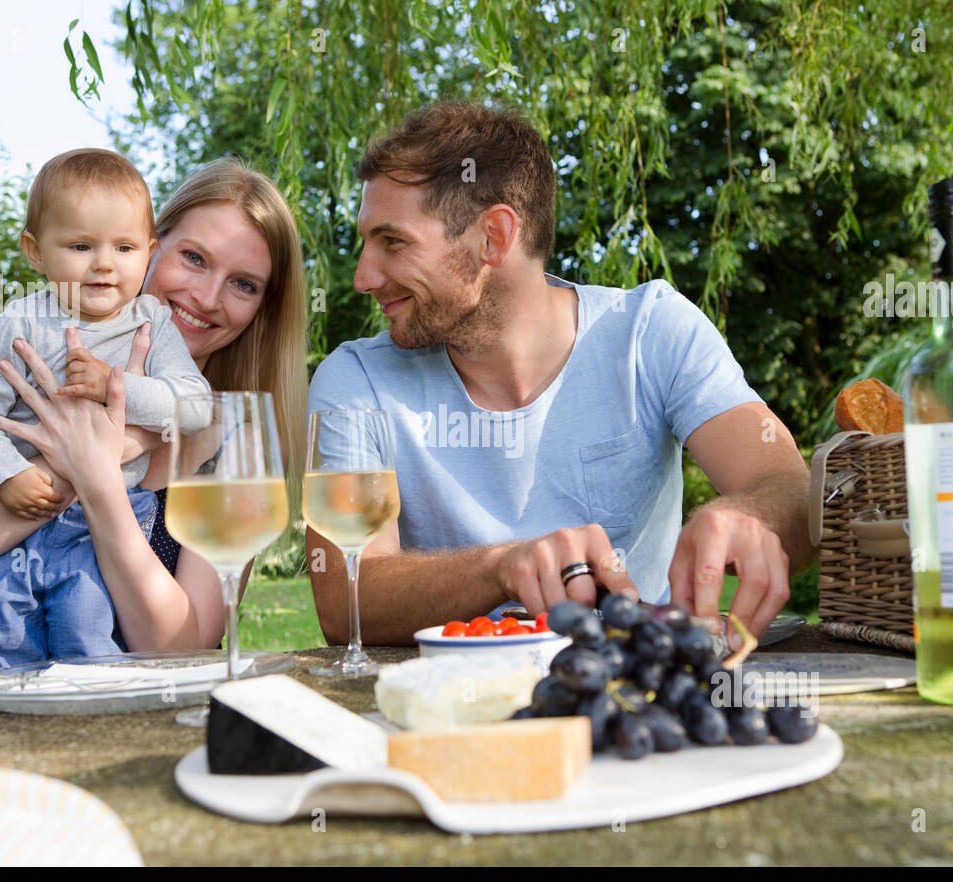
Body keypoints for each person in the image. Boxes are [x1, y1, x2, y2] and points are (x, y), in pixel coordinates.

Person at [306, 101, 813, 648]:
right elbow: (344, 603)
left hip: (635, 694)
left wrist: (742, 515)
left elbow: (789, 489)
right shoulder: (354, 381)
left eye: (393, 242)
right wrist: (505, 566)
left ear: (493, 238)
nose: (363, 276)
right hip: (448, 699)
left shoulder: (651, 330)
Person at [0, 158, 308, 658]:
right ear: (150, 248)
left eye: (244, 284)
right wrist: (103, 446)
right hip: (7, 704)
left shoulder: (240, 443)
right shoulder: (42, 365)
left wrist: (97, 472)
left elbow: (183, 648)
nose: (206, 297)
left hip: (129, 722)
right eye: (194, 258)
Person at [0, 148, 211, 668]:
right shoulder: (19, 323)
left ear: (149, 252)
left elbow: (196, 406)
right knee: (2, 646)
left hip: (104, 521)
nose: (104, 263)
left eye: (125, 246)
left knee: (89, 639)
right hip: (19, 522)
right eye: (80, 245)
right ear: (35, 251)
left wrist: (114, 385)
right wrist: (5, 475)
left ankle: (90, 729)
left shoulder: (149, 323)